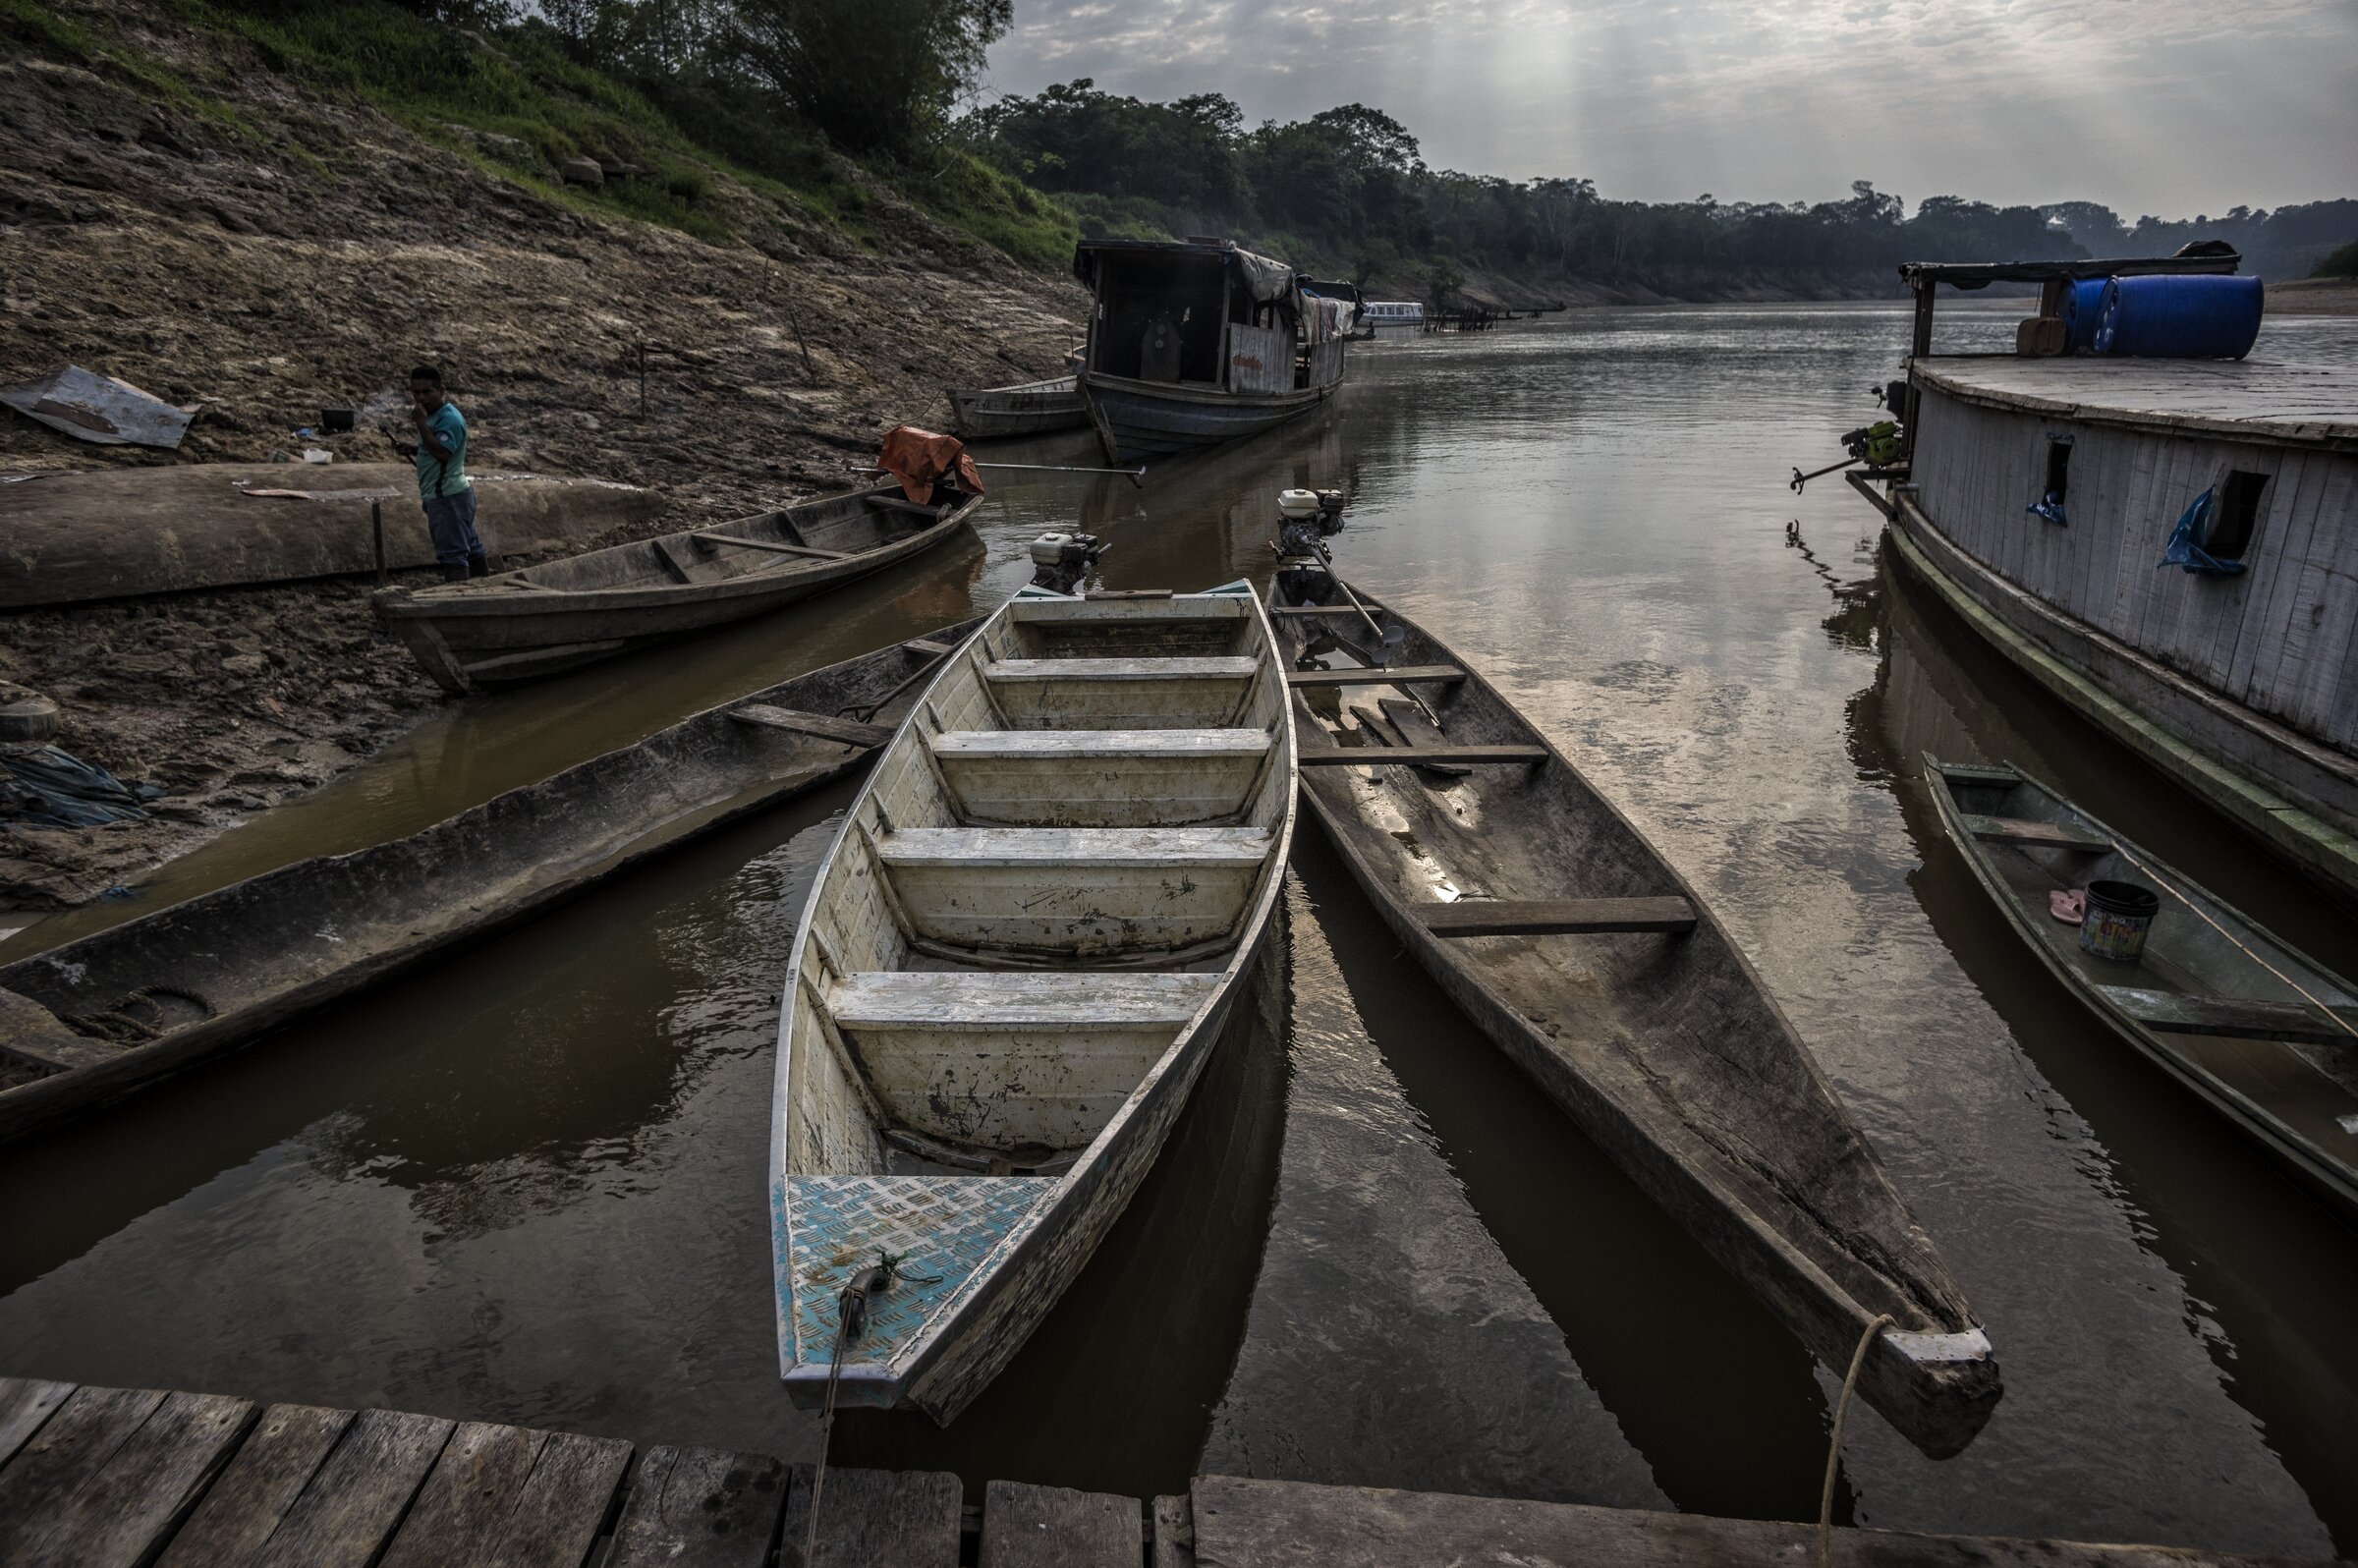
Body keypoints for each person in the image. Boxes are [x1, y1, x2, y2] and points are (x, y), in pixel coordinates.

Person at [391, 364, 488, 581]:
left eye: (427, 392)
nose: (420, 398)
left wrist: (420, 423)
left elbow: (442, 453)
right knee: (470, 546)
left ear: (441, 391)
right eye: (416, 392)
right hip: (452, 494)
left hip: (447, 496)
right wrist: (414, 449)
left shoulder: (449, 418)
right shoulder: (435, 415)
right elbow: (435, 448)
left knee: (453, 555)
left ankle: (458, 600)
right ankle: (485, 587)